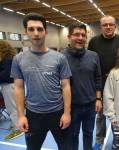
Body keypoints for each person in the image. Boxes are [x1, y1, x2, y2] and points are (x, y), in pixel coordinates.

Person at [10, 13, 72, 150]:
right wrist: (21, 116)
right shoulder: (18, 59)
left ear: (46, 31)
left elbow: (66, 86)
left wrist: (67, 113)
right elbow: (18, 88)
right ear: (25, 32)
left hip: (58, 113)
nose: (36, 33)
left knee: (66, 147)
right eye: (31, 29)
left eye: (39, 29)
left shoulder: (59, 58)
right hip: (33, 115)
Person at [88, 15, 119, 149]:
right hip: (100, 86)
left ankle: (118, 140)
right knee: (100, 117)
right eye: (105, 25)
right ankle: (99, 141)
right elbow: (90, 64)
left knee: (117, 116)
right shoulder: (93, 42)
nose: (108, 27)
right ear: (101, 27)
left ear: (115, 26)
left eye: (111, 24)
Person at [63, 23, 102, 150]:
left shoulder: (93, 55)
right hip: (72, 107)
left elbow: (98, 78)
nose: (80, 38)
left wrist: (98, 99)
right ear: (69, 36)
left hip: (90, 105)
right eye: (76, 34)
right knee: (72, 135)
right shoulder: (61, 57)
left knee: (88, 133)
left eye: (83, 35)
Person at [0, 40, 24, 140]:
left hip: (10, 86)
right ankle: (18, 125)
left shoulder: (7, 59)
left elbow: (6, 75)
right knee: (15, 107)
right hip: (11, 85)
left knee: (13, 108)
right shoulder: (9, 58)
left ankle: (18, 129)